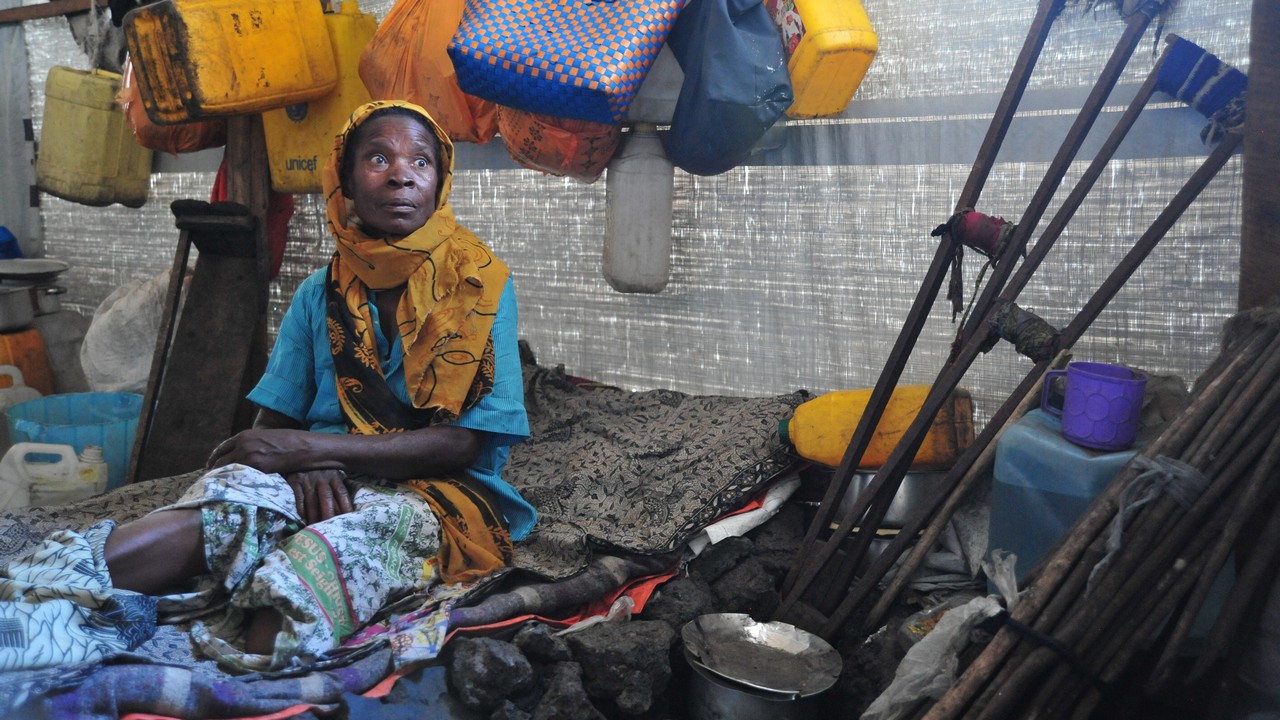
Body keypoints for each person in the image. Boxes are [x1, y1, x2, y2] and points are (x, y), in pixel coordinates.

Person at [0, 100, 534, 673]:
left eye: (421, 162)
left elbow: (462, 444)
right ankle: (32, 603)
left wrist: (310, 449)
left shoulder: (480, 288)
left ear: (440, 182)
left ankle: (215, 664)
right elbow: (274, 427)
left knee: (301, 582)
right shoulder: (318, 294)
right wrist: (302, 463)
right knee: (218, 507)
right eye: (379, 158)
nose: (401, 175)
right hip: (318, 473)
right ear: (346, 181)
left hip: (432, 492)